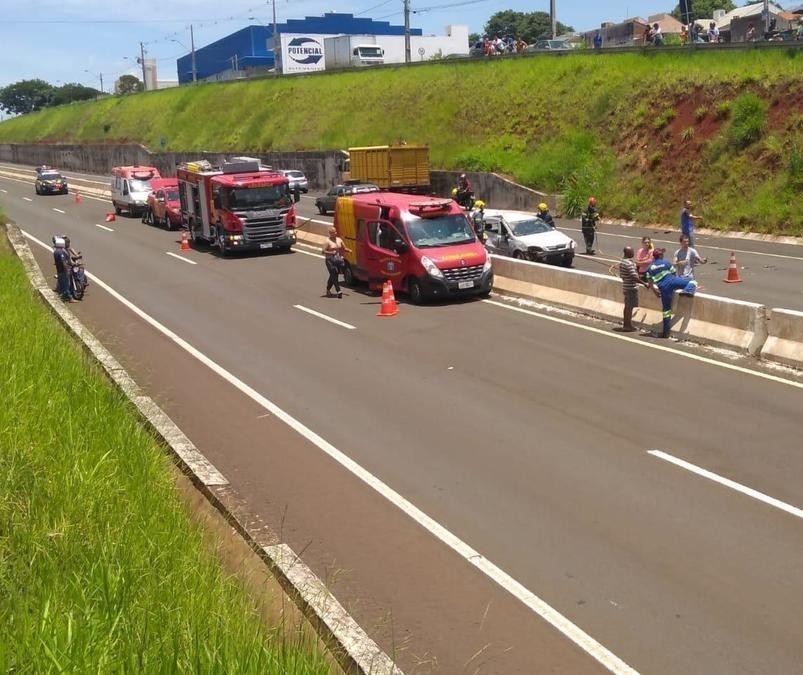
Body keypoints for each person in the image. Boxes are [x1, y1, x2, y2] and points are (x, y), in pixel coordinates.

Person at [645, 248, 698, 338]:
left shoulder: (650, 267)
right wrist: (675, 283)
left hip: (663, 288)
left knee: (666, 311)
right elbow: (674, 273)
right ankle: (687, 291)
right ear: (661, 255)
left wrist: (655, 291)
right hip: (672, 281)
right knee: (693, 282)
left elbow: (650, 282)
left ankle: (666, 332)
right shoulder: (666, 262)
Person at [618, 246, 646, 332]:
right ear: (628, 253)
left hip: (626, 286)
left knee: (628, 307)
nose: (633, 253)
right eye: (632, 251)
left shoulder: (623, 262)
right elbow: (634, 276)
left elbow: (624, 275)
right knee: (629, 307)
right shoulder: (629, 263)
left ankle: (627, 324)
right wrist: (644, 283)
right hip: (630, 288)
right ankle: (627, 326)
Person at [322, 226, 351, 298]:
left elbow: (344, 248)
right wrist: (331, 253)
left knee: (334, 275)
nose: (335, 233)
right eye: (334, 232)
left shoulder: (339, 240)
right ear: (330, 233)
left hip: (337, 260)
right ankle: (339, 291)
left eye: (335, 232)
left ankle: (328, 289)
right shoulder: (327, 241)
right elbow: (323, 251)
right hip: (330, 260)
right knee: (333, 274)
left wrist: (349, 250)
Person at [52, 236, 75, 302]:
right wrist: (66, 268)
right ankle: (69, 298)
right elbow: (63, 262)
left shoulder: (56, 251)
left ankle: (62, 296)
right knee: (66, 284)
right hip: (63, 270)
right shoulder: (61, 252)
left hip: (59, 269)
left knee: (62, 283)